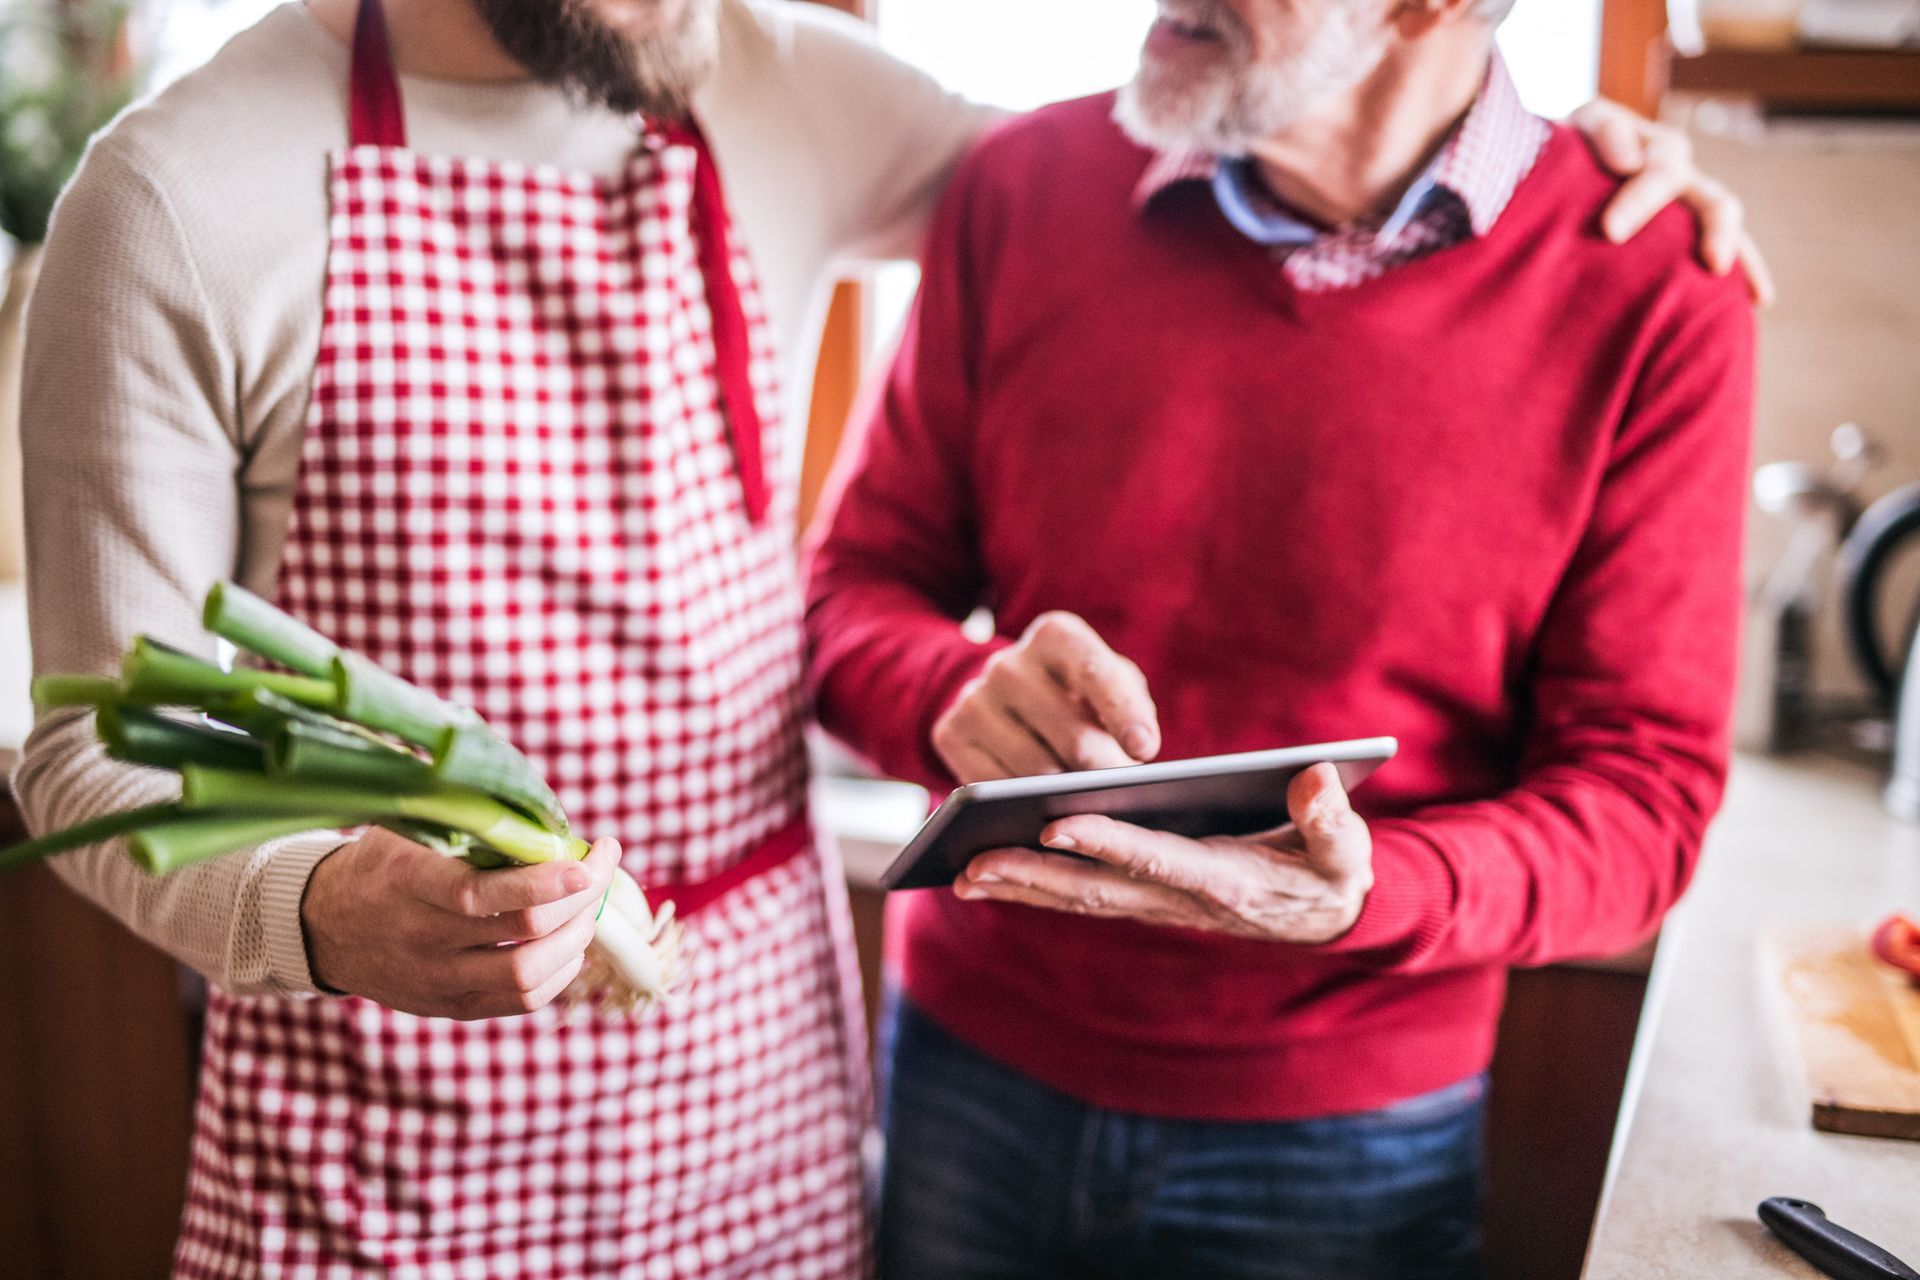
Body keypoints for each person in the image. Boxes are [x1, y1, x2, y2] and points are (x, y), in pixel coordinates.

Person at [16, 0, 1757, 1275]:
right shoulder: (177, 193)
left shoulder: (771, 81)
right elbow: (100, 748)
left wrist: (1582, 142)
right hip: (398, 1113)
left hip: (768, 1101)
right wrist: (321, 910)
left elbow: (1650, 795)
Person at [803, 1, 1756, 1277]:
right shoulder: (1022, 186)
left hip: (1351, 1142)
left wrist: (1374, 889)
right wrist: (946, 693)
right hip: (968, 1068)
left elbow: (1643, 801)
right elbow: (847, 592)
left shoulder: (1654, 283)